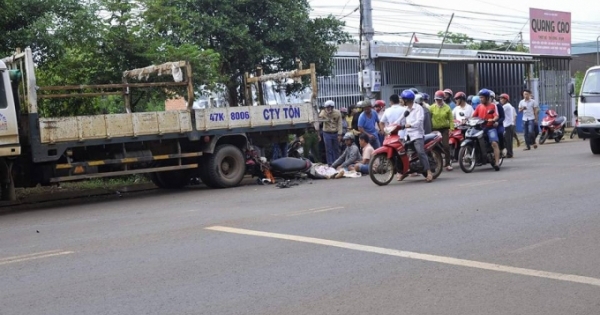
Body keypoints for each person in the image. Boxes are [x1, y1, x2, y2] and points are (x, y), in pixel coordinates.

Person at [394, 90, 434, 182]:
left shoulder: (418, 108)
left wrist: (410, 125)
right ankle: (404, 172)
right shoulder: (406, 109)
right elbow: (400, 120)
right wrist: (393, 125)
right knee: (401, 153)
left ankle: (429, 172)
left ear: (407, 100)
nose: (401, 101)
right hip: (408, 135)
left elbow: (420, 121)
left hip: (417, 135)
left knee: (420, 152)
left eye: (402, 99)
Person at [473, 89, 501, 171]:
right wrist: (466, 120)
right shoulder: (479, 106)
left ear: (487, 97)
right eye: (480, 97)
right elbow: (473, 116)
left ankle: (497, 162)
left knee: (494, 143)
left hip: (490, 128)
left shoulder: (493, 106)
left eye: (482, 97)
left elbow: (496, 115)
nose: (480, 99)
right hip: (480, 128)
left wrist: (493, 119)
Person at [430, 90, 454, 171]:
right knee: (434, 146)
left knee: (446, 146)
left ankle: (447, 163)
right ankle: (436, 163)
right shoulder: (432, 107)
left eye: (439, 99)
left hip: (444, 129)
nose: (438, 101)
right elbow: (428, 118)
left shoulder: (447, 107)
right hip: (435, 129)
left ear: (443, 99)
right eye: (436, 99)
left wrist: (451, 129)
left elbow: (451, 119)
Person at [319, 100, 343, 165]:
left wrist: (339, 134)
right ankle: (330, 163)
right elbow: (319, 119)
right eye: (327, 107)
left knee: (336, 149)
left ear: (332, 107)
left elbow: (340, 123)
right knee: (328, 149)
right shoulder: (323, 112)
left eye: (330, 107)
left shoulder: (337, 113)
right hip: (326, 133)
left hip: (335, 132)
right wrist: (326, 114)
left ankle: (337, 163)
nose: (329, 109)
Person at [499, 93, 516, 158]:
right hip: (509, 124)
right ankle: (509, 153)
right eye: (500, 99)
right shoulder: (509, 106)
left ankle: (509, 153)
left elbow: (499, 111)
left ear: (506, 99)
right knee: (508, 140)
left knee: (507, 140)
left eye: (502, 99)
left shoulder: (506, 106)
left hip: (507, 125)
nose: (501, 100)